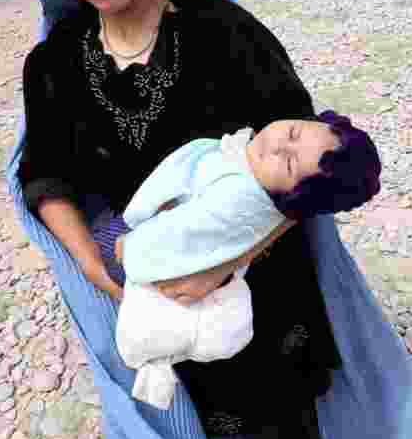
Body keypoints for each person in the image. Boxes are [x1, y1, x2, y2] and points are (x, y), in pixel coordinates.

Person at [9, 0, 412, 439]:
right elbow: (44, 176)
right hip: (139, 268)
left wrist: (229, 258)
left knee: (273, 378)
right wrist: (91, 263)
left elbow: (306, 166)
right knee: (174, 379)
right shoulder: (53, 66)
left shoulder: (228, 35)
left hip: (254, 258)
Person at [113, 112, 381, 411]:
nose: (279, 147)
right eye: (292, 132)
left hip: (169, 260)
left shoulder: (240, 198)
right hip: (171, 241)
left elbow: (184, 232)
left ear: (291, 195)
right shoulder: (245, 157)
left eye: (290, 164)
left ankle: (156, 367)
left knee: (162, 318)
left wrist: (134, 246)